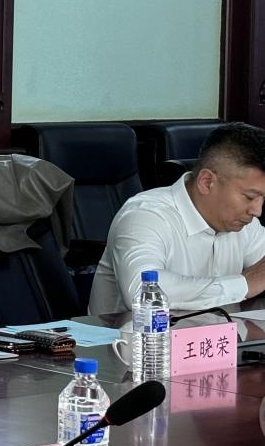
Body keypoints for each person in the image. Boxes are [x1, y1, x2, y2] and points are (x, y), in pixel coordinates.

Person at [89, 122, 265, 314]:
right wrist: (243, 284)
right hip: (130, 333)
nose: (257, 211)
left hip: (219, 333)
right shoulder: (144, 215)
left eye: (263, 198)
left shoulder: (245, 224)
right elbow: (141, 290)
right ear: (207, 182)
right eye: (249, 197)